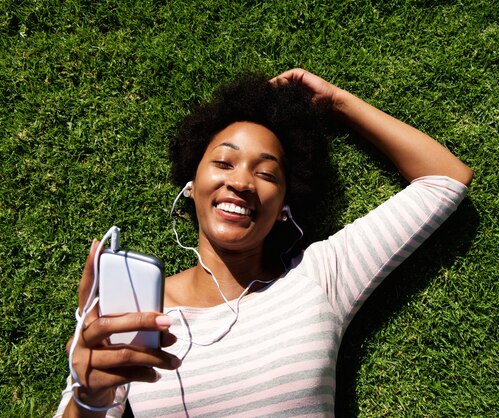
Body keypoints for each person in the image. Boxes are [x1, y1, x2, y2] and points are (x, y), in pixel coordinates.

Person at [55, 68, 473, 417]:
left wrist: (336, 102)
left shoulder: (319, 278)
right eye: (222, 162)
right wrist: (86, 397)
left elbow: (444, 180)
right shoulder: (136, 313)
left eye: (267, 173)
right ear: (190, 185)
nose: (240, 182)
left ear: (285, 208)